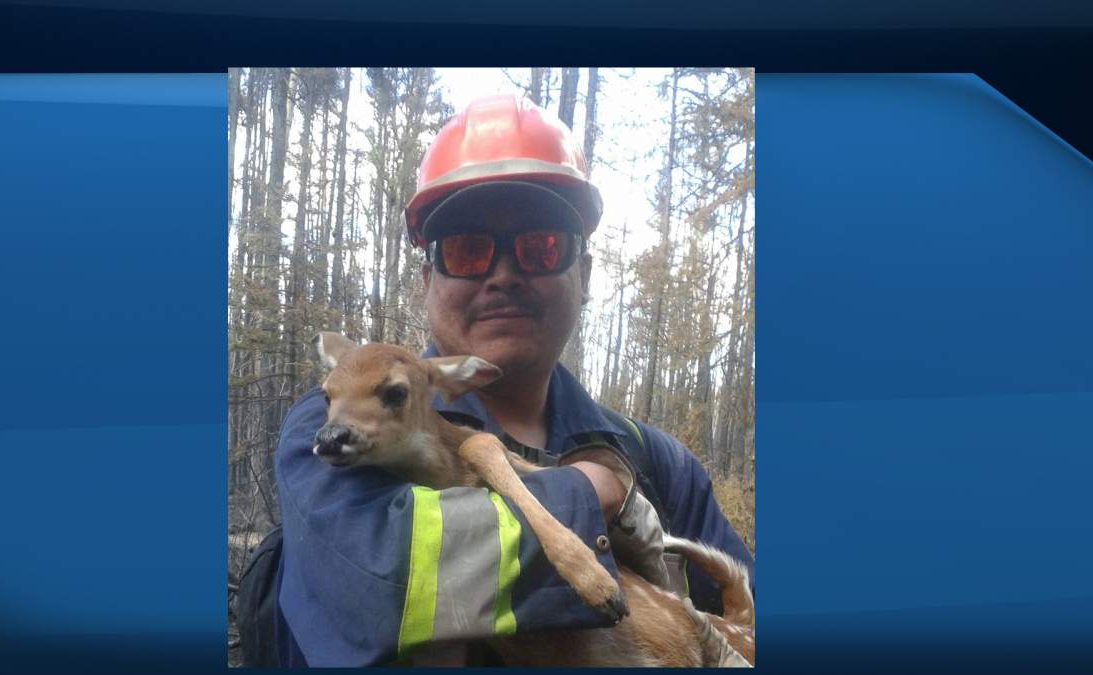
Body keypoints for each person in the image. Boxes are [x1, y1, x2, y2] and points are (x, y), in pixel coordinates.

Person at [271, 95, 754, 666]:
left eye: (541, 247)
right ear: (428, 276)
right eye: (467, 249)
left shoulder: (661, 466)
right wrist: (588, 495)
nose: (503, 275)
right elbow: (373, 583)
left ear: (584, 275)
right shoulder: (335, 418)